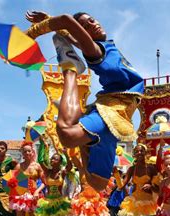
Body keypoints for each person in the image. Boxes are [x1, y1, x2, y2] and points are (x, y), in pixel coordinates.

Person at [25, 11, 143, 192]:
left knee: (97, 183)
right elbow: (66, 20)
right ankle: (70, 69)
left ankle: (80, 118)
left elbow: (72, 34)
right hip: (110, 110)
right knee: (67, 136)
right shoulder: (97, 51)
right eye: (86, 26)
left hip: (118, 117)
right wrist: (32, 33)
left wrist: (49, 21)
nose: (93, 24)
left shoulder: (107, 46)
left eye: (92, 20)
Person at [11, 141, 45, 216]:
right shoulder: (19, 166)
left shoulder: (37, 166)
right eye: (25, 151)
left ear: (32, 152)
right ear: (22, 153)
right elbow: (12, 182)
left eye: (29, 151)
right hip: (21, 197)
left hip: (33, 197)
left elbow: (45, 182)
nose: (27, 153)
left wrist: (37, 191)